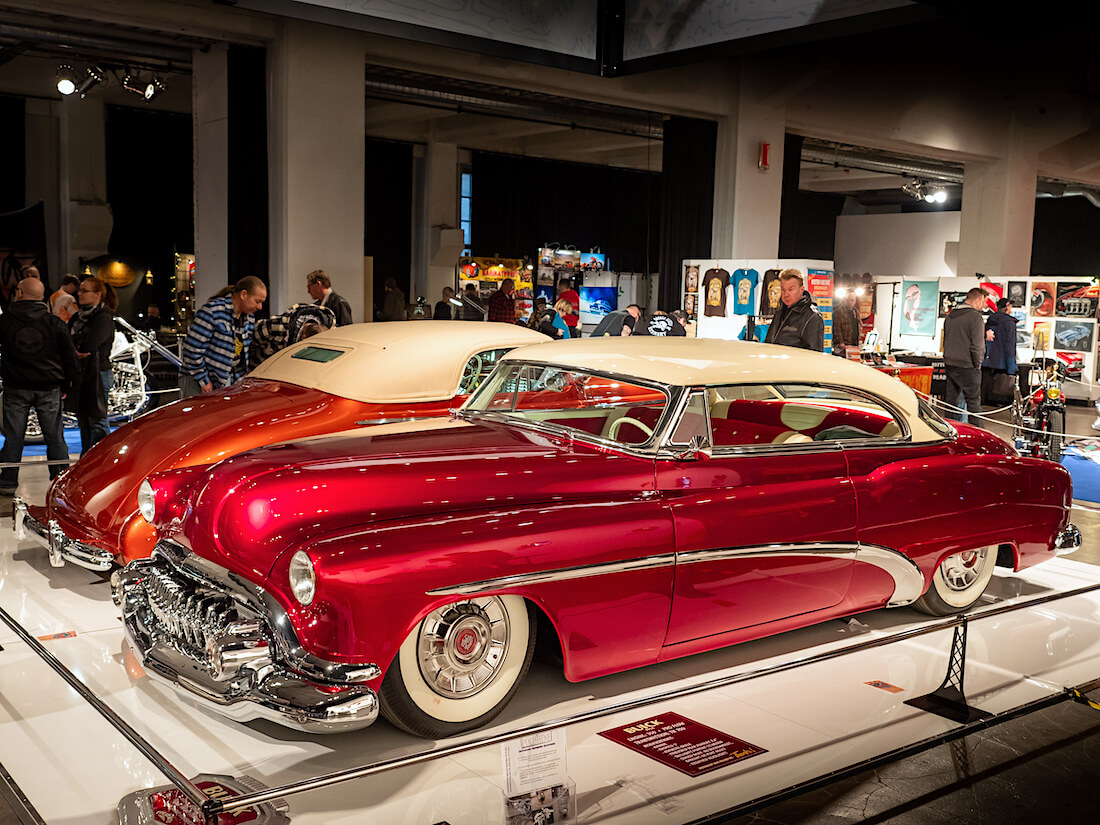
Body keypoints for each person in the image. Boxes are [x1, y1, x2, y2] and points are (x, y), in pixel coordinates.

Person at [0, 278, 78, 493]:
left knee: (14, 435)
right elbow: (69, 357)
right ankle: (60, 478)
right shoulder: (54, 323)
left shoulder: (5, 321)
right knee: (54, 435)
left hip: (15, 386)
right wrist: (68, 386)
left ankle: (8, 480)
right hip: (49, 386)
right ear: (42, 296)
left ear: (19, 292)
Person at [180, 276, 266, 398]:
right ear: (243, 294)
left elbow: (241, 356)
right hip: (197, 380)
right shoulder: (212, 311)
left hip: (225, 381)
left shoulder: (249, 318)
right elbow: (191, 351)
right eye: (257, 301)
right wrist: (204, 381)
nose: (260, 307)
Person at [67, 276, 117, 453]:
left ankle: (102, 460)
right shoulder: (77, 317)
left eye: (84, 291)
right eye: (79, 290)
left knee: (97, 420)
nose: (79, 294)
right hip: (81, 373)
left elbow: (89, 345)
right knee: (84, 421)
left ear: (97, 295)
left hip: (98, 374)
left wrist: (75, 345)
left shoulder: (103, 317)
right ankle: (87, 460)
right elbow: (67, 342)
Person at [943, 287, 987, 426]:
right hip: (968, 365)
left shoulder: (950, 315)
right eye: (984, 301)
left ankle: (948, 431)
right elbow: (977, 345)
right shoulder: (975, 317)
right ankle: (979, 436)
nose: (984, 305)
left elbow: (945, 340)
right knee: (973, 403)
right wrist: (977, 362)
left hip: (950, 363)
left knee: (951, 402)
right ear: (978, 299)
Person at [250, 302, 335, 366]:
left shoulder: (328, 330)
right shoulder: (279, 327)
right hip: (262, 365)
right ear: (304, 338)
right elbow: (253, 335)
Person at [763, 269, 824, 351]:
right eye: (783, 289)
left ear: (801, 289)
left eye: (791, 289)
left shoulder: (812, 316)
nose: (786, 294)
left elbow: (814, 354)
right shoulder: (780, 311)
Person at [982, 297, 1018, 404]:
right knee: (1001, 391)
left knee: (984, 389)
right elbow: (1010, 345)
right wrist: (1012, 367)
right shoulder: (1009, 323)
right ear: (1007, 306)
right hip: (1002, 364)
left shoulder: (990, 320)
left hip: (986, 361)